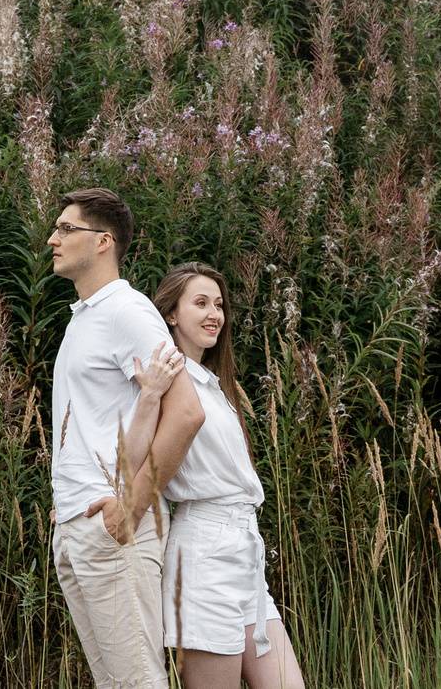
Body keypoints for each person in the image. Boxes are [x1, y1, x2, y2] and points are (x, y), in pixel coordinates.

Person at [47, 187, 202, 689]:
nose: (53, 238)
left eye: (67, 228)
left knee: (139, 682)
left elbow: (185, 413)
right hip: (79, 526)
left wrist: (132, 508)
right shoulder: (86, 318)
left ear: (103, 242)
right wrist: (69, 499)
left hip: (116, 532)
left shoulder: (126, 311)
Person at [151, 264, 306, 689]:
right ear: (170, 314)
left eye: (218, 304)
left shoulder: (213, 384)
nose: (214, 314)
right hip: (204, 552)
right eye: (200, 303)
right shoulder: (165, 377)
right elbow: (126, 440)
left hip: (246, 554)